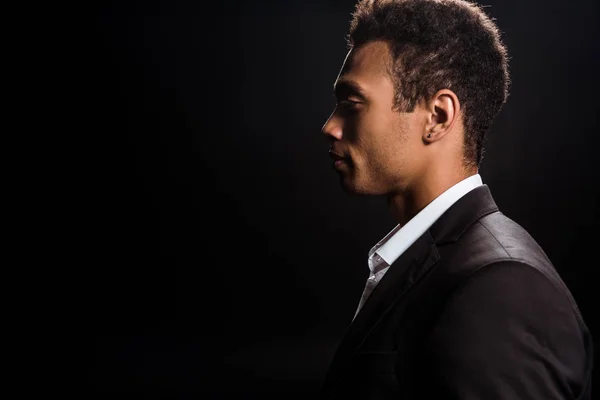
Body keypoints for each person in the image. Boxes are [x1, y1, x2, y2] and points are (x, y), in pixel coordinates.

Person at [319, 0, 594, 399]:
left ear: (438, 116)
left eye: (352, 103)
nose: (330, 126)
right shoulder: (441, 263)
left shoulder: (499, 288)